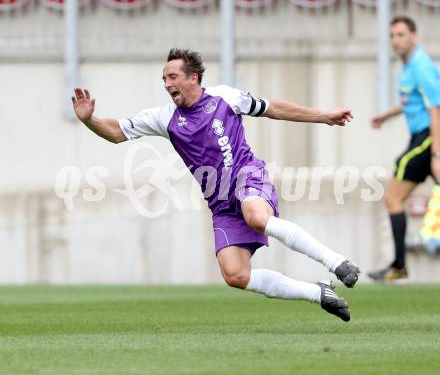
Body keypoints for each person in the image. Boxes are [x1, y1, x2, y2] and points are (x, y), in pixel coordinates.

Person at [72, 48, 360, 322]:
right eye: (164, 79)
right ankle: (317, 292)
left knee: (257, 217)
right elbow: (116, 132)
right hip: (221, 203)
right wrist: (89, 120)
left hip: (248, 177)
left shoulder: (225, 97)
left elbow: (274, 108)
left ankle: (336, 262)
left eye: (172, 77)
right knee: (236, 275)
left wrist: (323, 116)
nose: (166, 83)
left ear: (193, 78)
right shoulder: (164, 118)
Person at [369, 16, 440, 282]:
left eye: (401, 34)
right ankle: (398, 265)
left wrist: (436, 155)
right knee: (394, 198)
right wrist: (386, 115)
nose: (396, 40)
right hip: (423, 137)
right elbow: (412, 102)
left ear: (414, 36)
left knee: (393, 197)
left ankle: (398, 266)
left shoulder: (421, 66)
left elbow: (436, 108)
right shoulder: (408, 68)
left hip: (428, 137)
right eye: (392, 36)